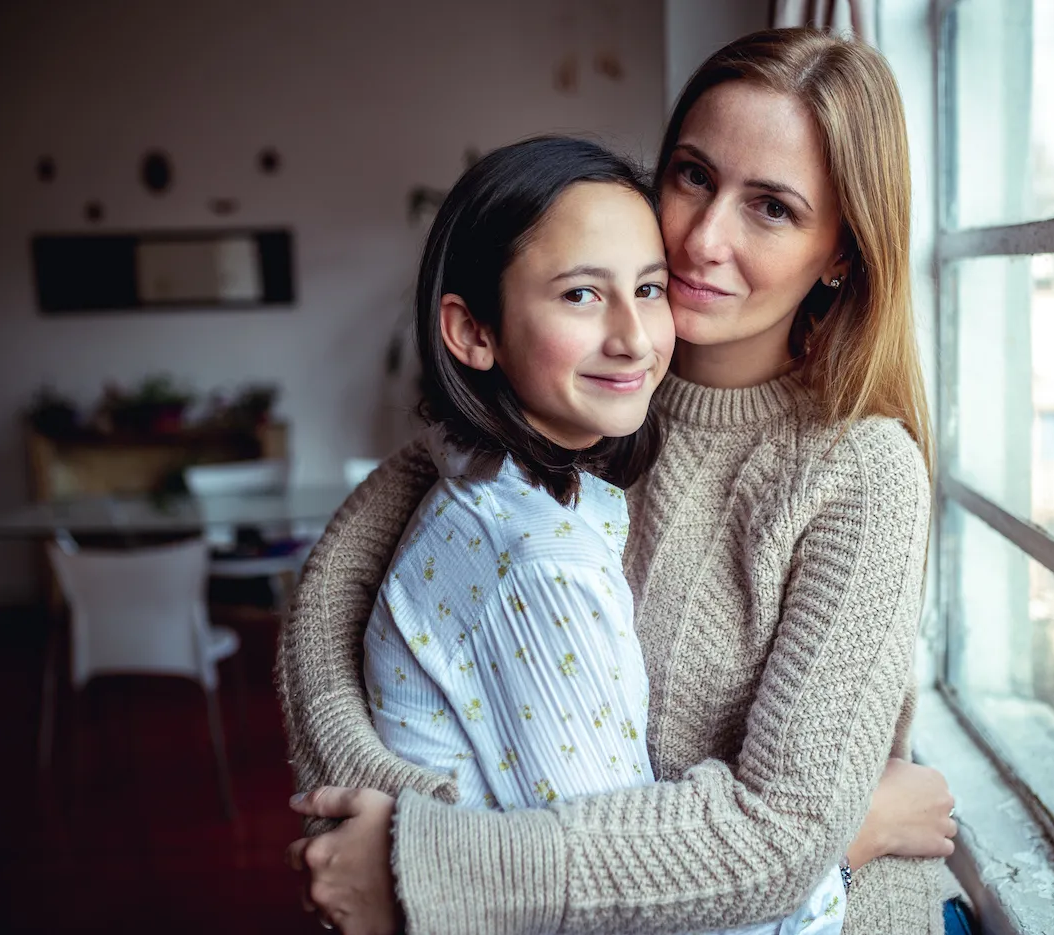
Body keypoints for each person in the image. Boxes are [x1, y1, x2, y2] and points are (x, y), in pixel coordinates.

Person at [281, 26, 958, 935]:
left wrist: (436, 866)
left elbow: (782, 838)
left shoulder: (861, 471)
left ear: (840, 251)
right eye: (692, 176)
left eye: (773, 208)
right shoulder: (583, 385)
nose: (703, 239)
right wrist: (404, 840)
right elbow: (329, 597)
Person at [359, 133, 849, 934]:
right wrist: (846, 847)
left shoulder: (490, 484)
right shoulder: (541, 564)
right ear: (472, 331)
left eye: (650, 289)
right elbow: (635, 905)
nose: (633, 335)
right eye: (582, 295)